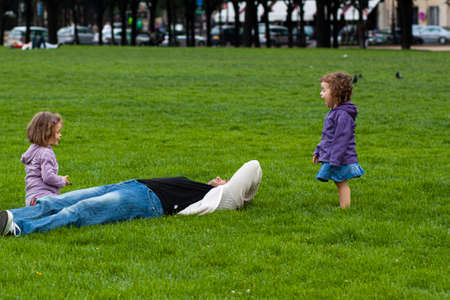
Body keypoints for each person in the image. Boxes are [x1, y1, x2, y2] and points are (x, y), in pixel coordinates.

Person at [0, 160, 262, 237]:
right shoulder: (200, 187)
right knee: (56, 201)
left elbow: (254, 167)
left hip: (146, 202)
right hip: (132, 185)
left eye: (225, 179)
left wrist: (245, 197)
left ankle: (21, 229)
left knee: (80, 210)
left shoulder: (216, 199)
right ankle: (9, 218)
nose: (219, 178)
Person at [313, 72, 364, 208]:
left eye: (324, 90)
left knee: (341, 183)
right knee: (339, 182)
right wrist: (318, 151)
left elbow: (342, 139)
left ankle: (345, 209)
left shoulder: (343, 115)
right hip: (334, 156)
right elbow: (327, 136)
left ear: (335, 94)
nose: (321, 94)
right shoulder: (334, 112)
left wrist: (335, 160)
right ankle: (344, 207)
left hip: (340, 157)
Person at [21, 112, 71, 206]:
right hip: (45, 198)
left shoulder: (33, 149)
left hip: (32, 198)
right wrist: (62, 180)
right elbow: (48, 177)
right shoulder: (45, 153)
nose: (60, 135)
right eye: (57, 132)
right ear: (47, 133)